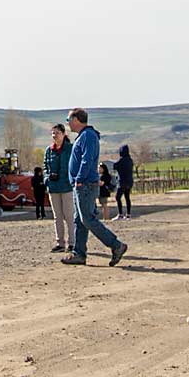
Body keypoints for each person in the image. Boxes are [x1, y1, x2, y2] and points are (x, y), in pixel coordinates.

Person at [61, 108, 128, 266]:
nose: (68, 123)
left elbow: (87, 159)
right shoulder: (83, 136)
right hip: (82, 184)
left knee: (88, 219)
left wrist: (79, 178)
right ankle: (79, 253)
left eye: (69, 119)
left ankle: (116, 245)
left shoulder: (88, 136)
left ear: (76, 120)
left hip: (85, 184)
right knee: (80, 220)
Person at [44, 124, 75, 253]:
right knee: (57, 217)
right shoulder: (49, 150)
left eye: (57, 133)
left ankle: (73, 242)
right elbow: (45, 166)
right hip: (53, 187)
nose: (54, 135)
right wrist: (47, 178)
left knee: (69, 216)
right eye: (53, 133)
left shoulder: (70, 149)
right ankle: (60, 243)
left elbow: (74, 165)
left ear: (63, 134)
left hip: (67, 186)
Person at [113, 144, 134, 220]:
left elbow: (115, 166)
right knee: (127, 197)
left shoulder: (122, 160)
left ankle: (120, 214)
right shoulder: (130, 160)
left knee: (118, 197)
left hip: (122, 182)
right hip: (129, 182)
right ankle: (128, 214)